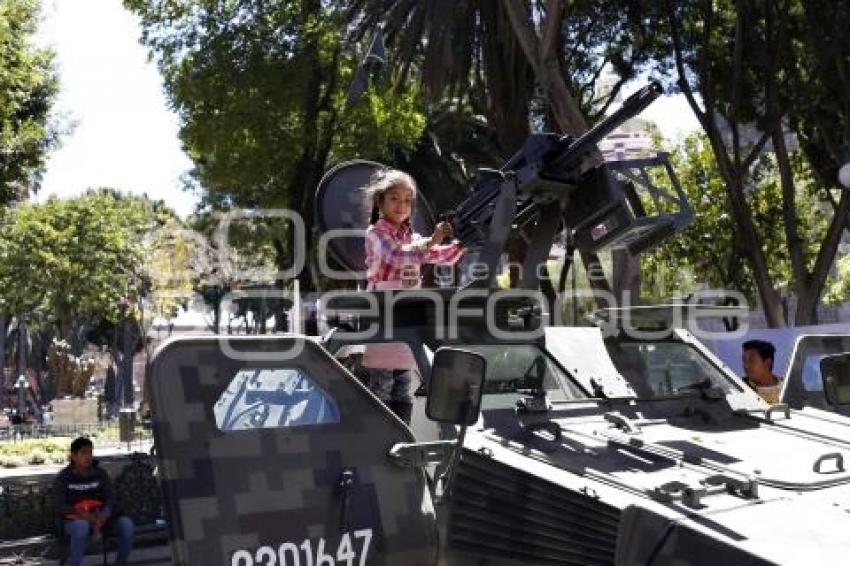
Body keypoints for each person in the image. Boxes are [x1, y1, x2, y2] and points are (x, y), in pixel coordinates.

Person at [361, 168, 464, 424]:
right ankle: (380, 436)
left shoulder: (412, 237)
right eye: (394, 198)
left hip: (407, 312)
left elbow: (438, 255)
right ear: (380, 202)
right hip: (384, 313)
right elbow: (397, 255)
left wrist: (463, 244)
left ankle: (401, 433)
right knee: (382, 383)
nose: (401, 205)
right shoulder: (376, 233)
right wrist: (431, 241)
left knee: (403, 383)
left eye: (408, 200)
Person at [53, 437, 134, 566]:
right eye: (83, 453)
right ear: (73, 456)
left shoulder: (100, 474)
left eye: (90, 452)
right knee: (81, 527)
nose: (88, 457)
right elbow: (60, 505)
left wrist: (105, 513)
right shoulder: (63, 478)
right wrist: (83, 515)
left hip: (102, 519)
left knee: (127, 525)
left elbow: (110, 498)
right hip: (74, 521)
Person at [742, 339, 782, 404]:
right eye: (744, 361)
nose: (746, 366)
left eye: (752, 361)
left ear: (767, 363)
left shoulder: (788, 387)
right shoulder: (739, 387)